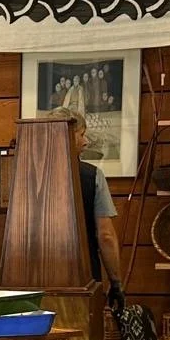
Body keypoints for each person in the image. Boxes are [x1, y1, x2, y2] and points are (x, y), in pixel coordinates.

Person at [43, 106, 124, 307]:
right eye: (81, 134)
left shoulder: (24, 172)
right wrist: (116, 283)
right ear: (68, 136)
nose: (86, 141)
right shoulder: (92, 176)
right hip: (83, 279)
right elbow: (105, 236)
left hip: (34, 282)